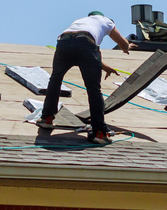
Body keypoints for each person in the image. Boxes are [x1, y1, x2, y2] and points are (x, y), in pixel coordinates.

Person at [39, 11, 133, 144]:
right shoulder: (107, 21)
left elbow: (81, 49)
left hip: (64, 42)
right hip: (86, 44)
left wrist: (104, 67)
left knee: (55, 79)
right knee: (94, 89)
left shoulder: (81, 22)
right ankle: (99, 132)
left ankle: (47, 119)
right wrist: (127, 46)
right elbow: (120, 43)